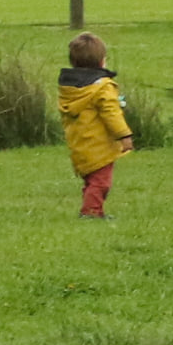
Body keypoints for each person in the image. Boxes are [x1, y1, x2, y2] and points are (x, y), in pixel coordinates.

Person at [58, 31, 133, 220]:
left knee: (93, 181)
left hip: (80, 145)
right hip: (99, 146)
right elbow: (111, 113)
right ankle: (91, 213)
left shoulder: (71, 89)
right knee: (101, 182)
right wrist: (124, 135)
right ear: (102, 62)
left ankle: (92, 208)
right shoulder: (102, 88)